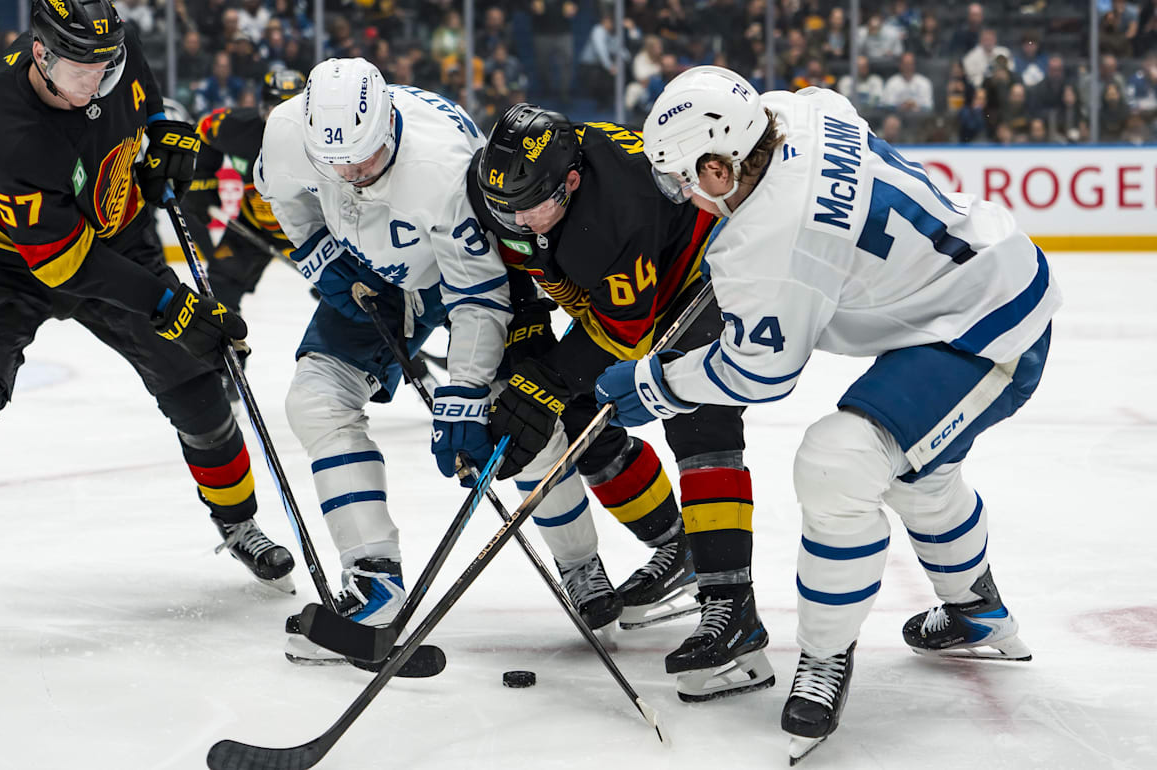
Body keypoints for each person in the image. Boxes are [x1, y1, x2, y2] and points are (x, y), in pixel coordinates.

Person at [601, 65, 1058, 760]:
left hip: (984, 327)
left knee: (837, 463)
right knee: (918, 476)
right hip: (983, 278)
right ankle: (979, 612)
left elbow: (759, 371)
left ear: (722, 169)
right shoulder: (798, 110)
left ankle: (825, 658)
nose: (680, 194)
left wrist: (658, 383)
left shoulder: (774, 243)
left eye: (684, 179)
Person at [0, 0, 293, 639]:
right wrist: (170, 305)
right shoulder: (1, 119)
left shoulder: (110, 49)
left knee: (198, 389)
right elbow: (64, 263)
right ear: (41, 54)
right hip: (5, 263)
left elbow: (144, 96)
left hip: (116, 231)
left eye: (107, 60)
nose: (100, 77)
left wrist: (164, 131)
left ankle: (240, 525)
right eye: (84, 66)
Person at [258, 58, 612, 662]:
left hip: (464, 280)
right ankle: (376, 581)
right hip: (372, 274)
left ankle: (582, 565)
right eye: (334, 163)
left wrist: (466, 393)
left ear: (390, 127)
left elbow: (478, 294)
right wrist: (320, 255)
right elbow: (282, 194)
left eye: (364, 161)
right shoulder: (291, 131)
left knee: (516, 421)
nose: (349, 174)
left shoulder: (442, 171)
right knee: (315, 400)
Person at [471, 105, 773, 700]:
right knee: (584, 418)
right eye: (503, 204)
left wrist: (545, 380)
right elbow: (507, 258)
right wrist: (531, 330)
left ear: (573, 181)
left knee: (699, 419)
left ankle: (732, 611)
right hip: (625, 286)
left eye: (529, 206)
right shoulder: (510, 183)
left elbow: (624, 336)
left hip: (701, 278)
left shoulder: (617, 213)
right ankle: (675, 546)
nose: (515, 218)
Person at [186, 69, 306, 314]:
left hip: (313, 234)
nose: (283, 120)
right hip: (254, 225)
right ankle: (227, 349)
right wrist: (201, 182)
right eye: (276, 109)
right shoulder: (239, 127)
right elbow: (205, 129)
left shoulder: (328, 141)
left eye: (291, 110)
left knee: (348, 301)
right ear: (263, 108)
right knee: (219, 287)